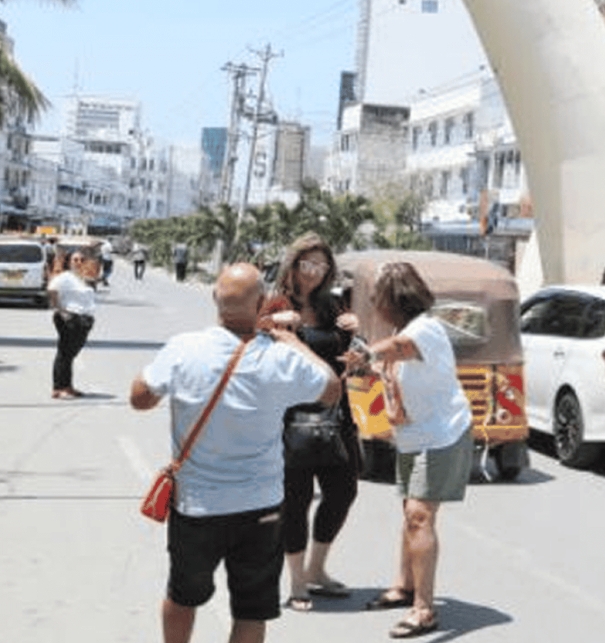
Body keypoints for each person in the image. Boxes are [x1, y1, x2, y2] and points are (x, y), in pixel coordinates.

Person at [130, 263, 339, 643]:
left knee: (182, 596)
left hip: (196, 507)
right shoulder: (280, 358)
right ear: (262, 304)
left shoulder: (184, 347)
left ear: (215, 297)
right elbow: (332, 389)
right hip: (261, 507)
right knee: (251, 610)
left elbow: (139, 399)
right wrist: (291, 341)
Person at [344, 262, 473, 640]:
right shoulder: (403, 330)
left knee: (419, 515)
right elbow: (397, 365)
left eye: (378, 299)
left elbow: (399, 350)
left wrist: (367, 353)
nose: (375, 306)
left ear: (394, 299)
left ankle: (424, 609)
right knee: (410, 513)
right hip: (413, 435)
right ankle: (405, 586)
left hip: (441, 436)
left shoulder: (425, 329)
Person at [264, 234, 361, 612]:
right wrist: (270, 321)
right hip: (290, 416)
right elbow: (243, 334)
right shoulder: (276, 303)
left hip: (336, 413)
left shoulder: (333, 306)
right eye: (307, 265)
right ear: (293, 265)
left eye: (321, 266)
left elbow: (351, 357)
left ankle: (317, 569)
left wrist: (356, 331)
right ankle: (296, 581)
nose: (314, 273)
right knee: (295, 501)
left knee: (343, 491)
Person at [47, 251, 98, 399]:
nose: (79, 262)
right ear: (68, 262)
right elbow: (52, 289)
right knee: (65, 353)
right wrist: (59, 310)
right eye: (75, 260)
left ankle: (67, 386)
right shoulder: (65, 277)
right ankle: (58, 388)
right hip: (70, 318)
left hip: (83, 320)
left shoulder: (82, 278)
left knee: (70, 355)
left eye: (82, 259)